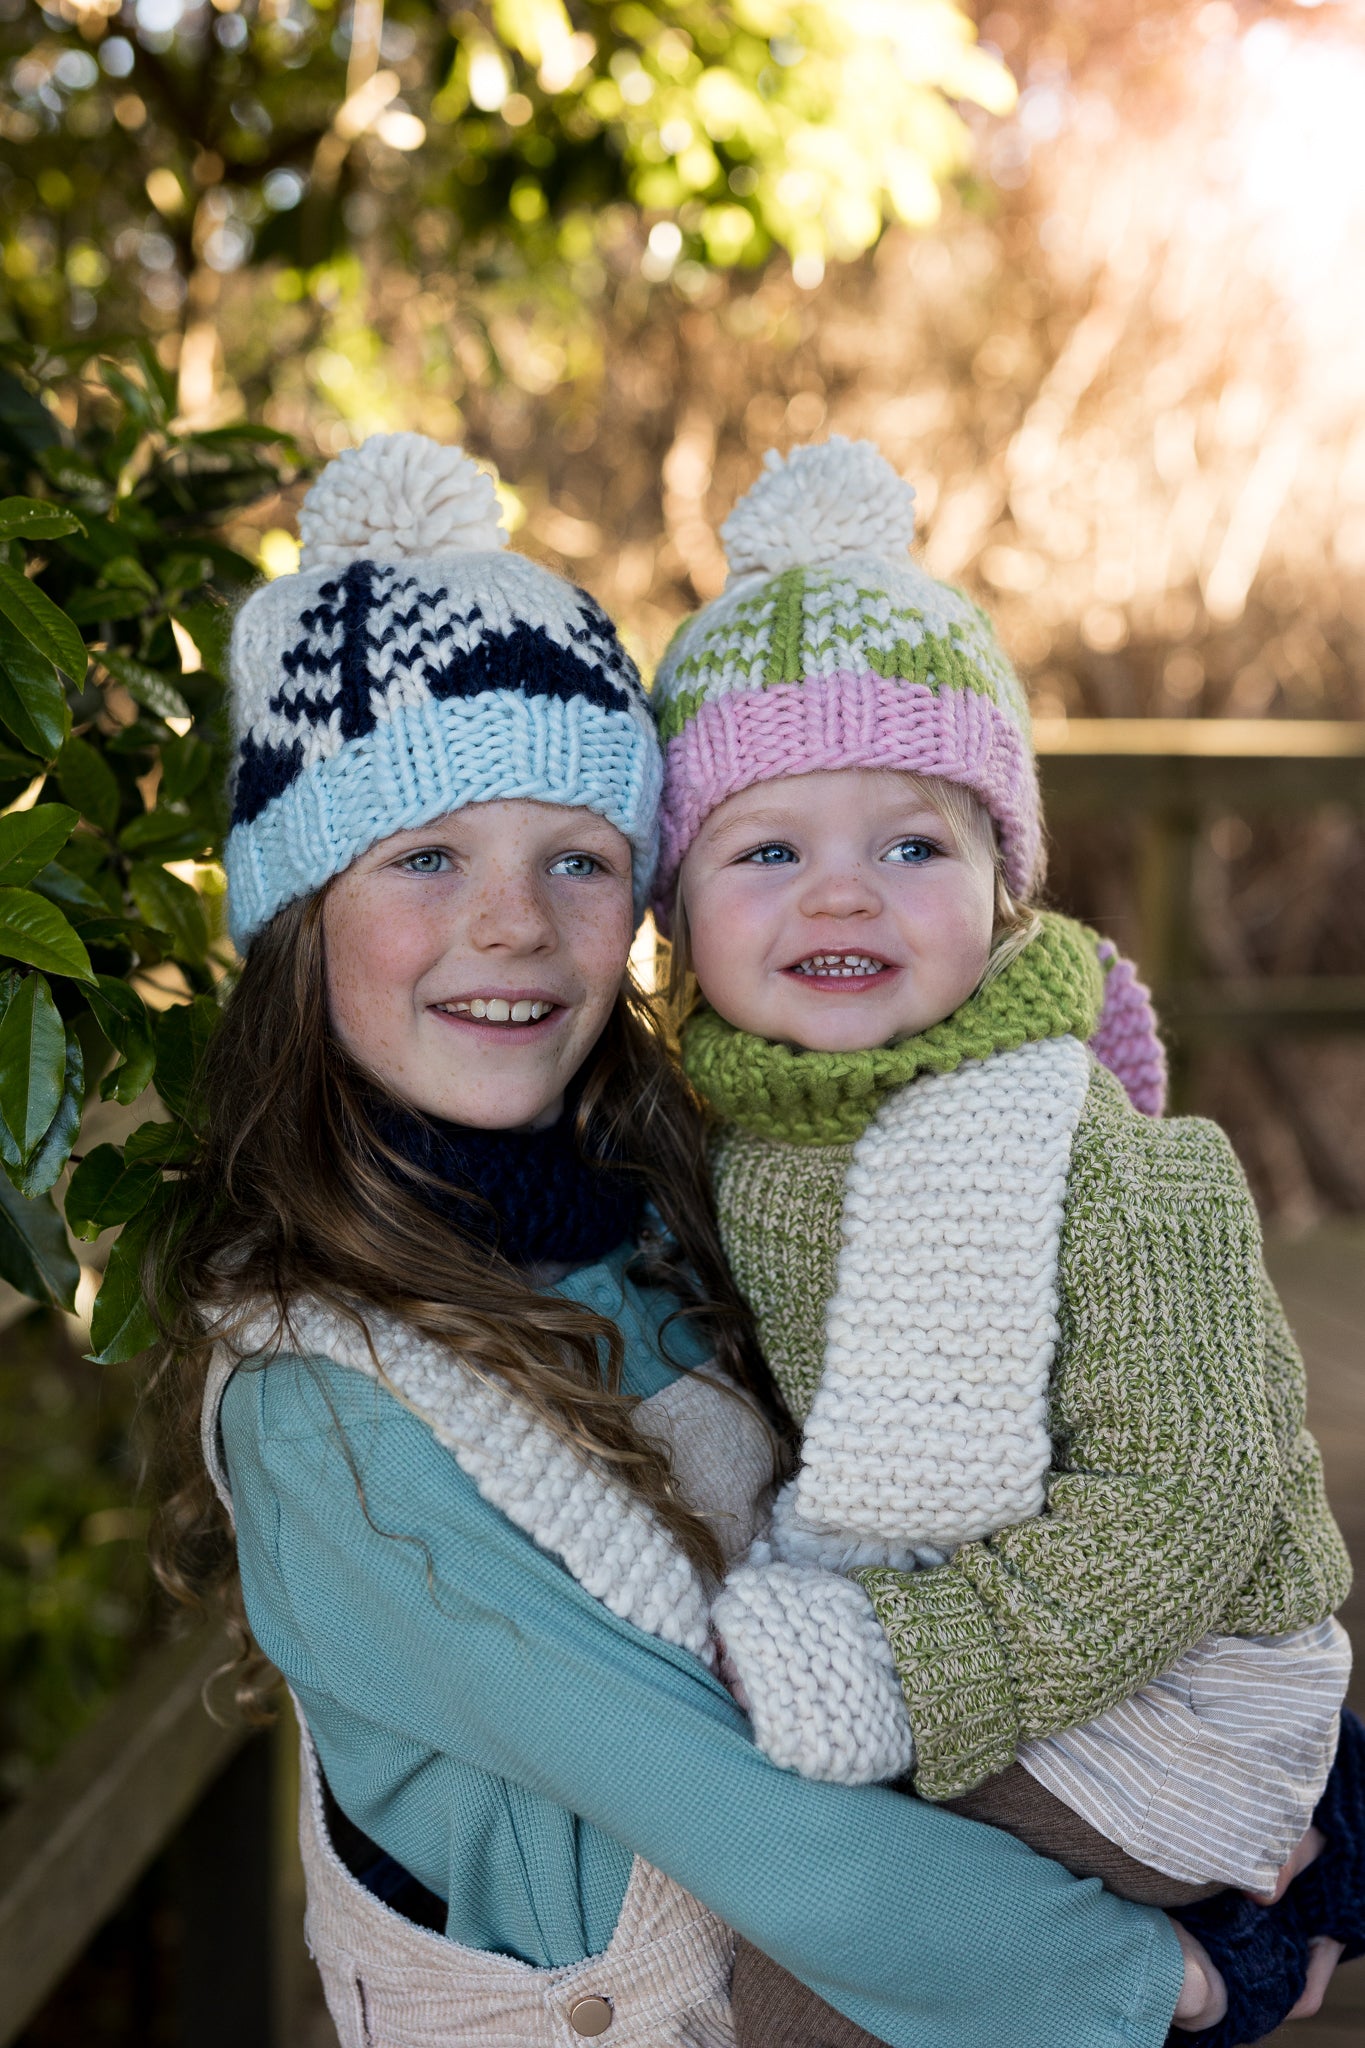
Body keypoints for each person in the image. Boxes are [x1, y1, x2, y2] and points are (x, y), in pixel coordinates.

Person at [146, 430, 1222, 2048]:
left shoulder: (671, 1208)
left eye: (576, 862)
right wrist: (1164, 1980)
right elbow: (748, 1825)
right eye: (426, 857)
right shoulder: (330, 1408)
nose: (510, 923)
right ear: (298, 916)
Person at [651, 438, 1364, 2048]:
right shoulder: (720, 1141)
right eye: (767, 851)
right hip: (998, 1659)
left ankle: (1232, 1941)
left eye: (913, 844)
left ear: (1002, 886)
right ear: (673, 916)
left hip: (1168, 1689)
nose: (843, 896)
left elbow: (1184, 1501)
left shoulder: (1106, 1173)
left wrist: (895, 1668)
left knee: (822, 1961)